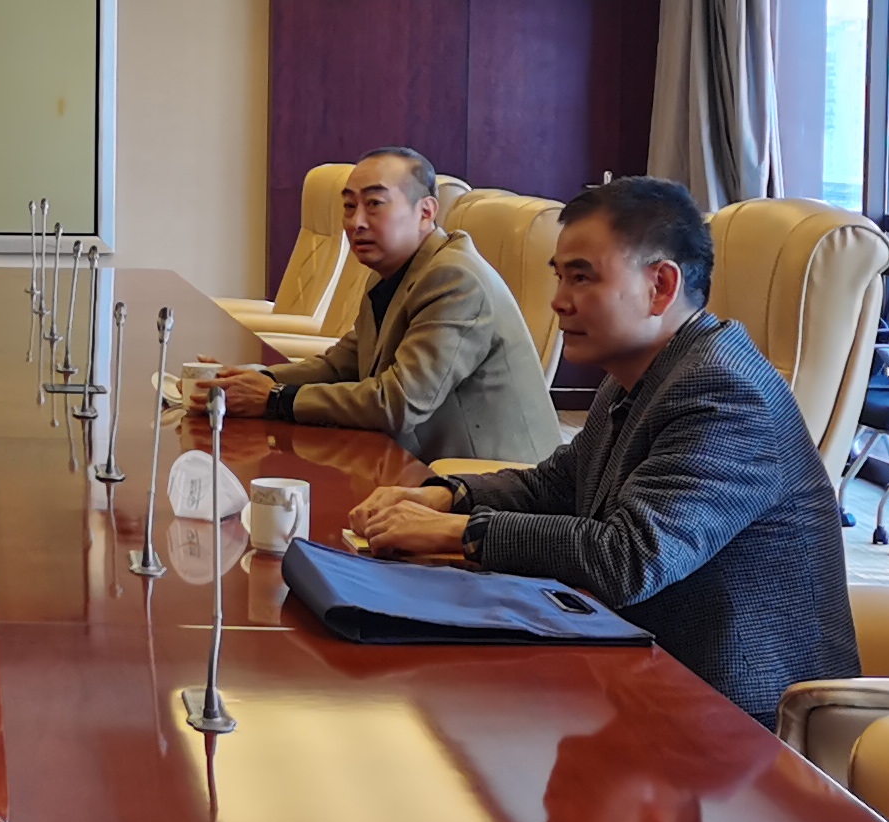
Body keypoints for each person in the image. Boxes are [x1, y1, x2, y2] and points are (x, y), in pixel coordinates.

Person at [342, 175, 858, 722]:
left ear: (661, 286)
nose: (559, 302)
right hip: (638, 672)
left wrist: (460, 532)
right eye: (560, 276)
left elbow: (628, 558)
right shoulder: (643, 371)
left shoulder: (724, 391)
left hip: (738, 721)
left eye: (582, 277)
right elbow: (560, 483)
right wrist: (446, 496)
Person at [192, 146, 558, 467]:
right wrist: (254, 380)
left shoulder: (454, 279)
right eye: (349, 206)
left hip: (492, 486)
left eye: (374, 204)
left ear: (426, 212)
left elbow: (398, 403)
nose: (356, 222)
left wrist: (273, 399)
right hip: (418, 461)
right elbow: (341, 366)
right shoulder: (395, 271)